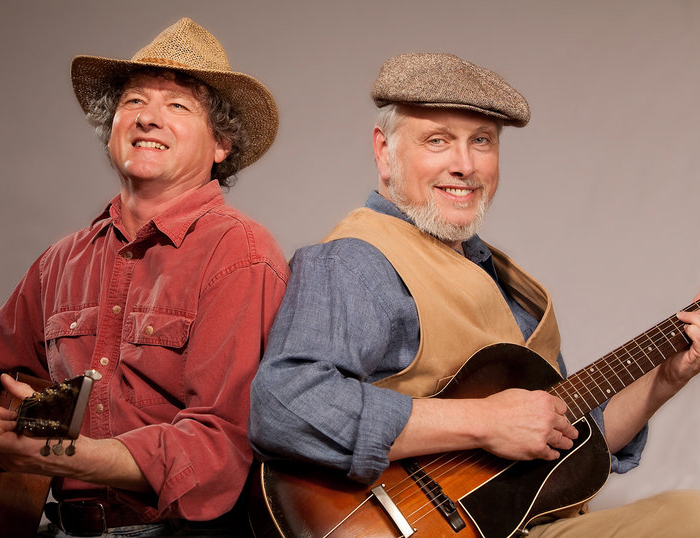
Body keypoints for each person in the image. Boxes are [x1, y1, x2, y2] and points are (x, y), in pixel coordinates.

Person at [248, 53, 700, 536]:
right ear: (384, 152)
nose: (464, 165)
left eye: (481, 141)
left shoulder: (500, 282)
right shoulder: (356, 262)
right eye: (437, 141)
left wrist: (667, 377)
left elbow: (574, 439)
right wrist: (483, 421)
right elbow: (283, 405)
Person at [0, 17, 288, 538]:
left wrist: (60, 458)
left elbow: (219, 444)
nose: (149, 119)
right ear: (111, 126)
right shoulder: (63, 260)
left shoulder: (240, 254)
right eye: (134, 102)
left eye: (177, 106)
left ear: (221, 145)